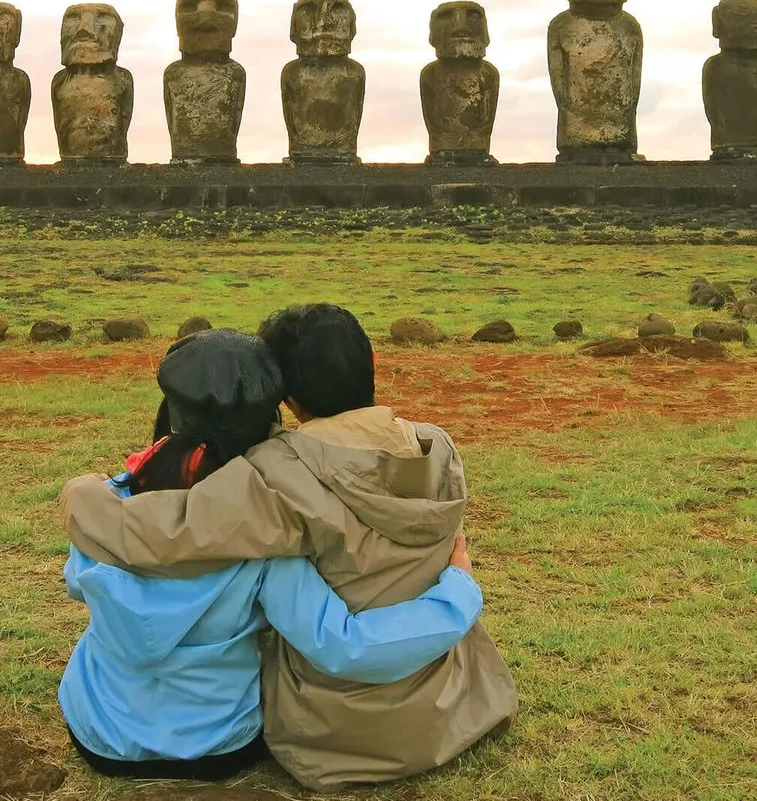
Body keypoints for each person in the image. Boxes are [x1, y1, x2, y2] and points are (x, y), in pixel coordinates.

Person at [60, 304, 518, 791]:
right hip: (453, 699)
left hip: (335, 733)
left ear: (290, 397)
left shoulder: (277, 476)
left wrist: (86, 496)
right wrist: (460, 586)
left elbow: (171, 530)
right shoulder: (437, 446)